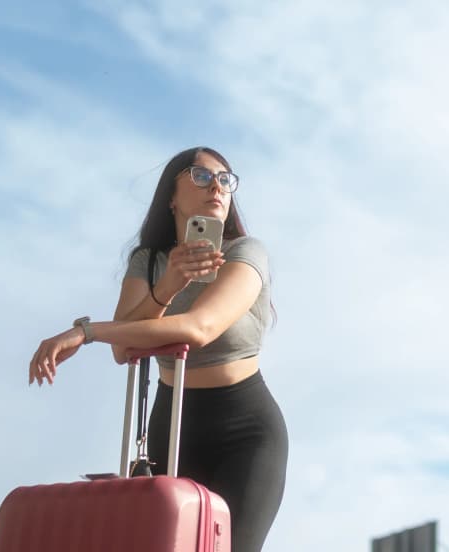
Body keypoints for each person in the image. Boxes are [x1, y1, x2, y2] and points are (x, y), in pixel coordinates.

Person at [28, 146, 288, 552]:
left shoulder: (245, 252)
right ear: (171, 195)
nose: (216, 187)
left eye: (225, 179)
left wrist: (86, 332)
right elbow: (125, 348)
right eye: (201, 176)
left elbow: (199, 328)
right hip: (173, 422)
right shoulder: (148, 262)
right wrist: (168, 285)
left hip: (246, 429)